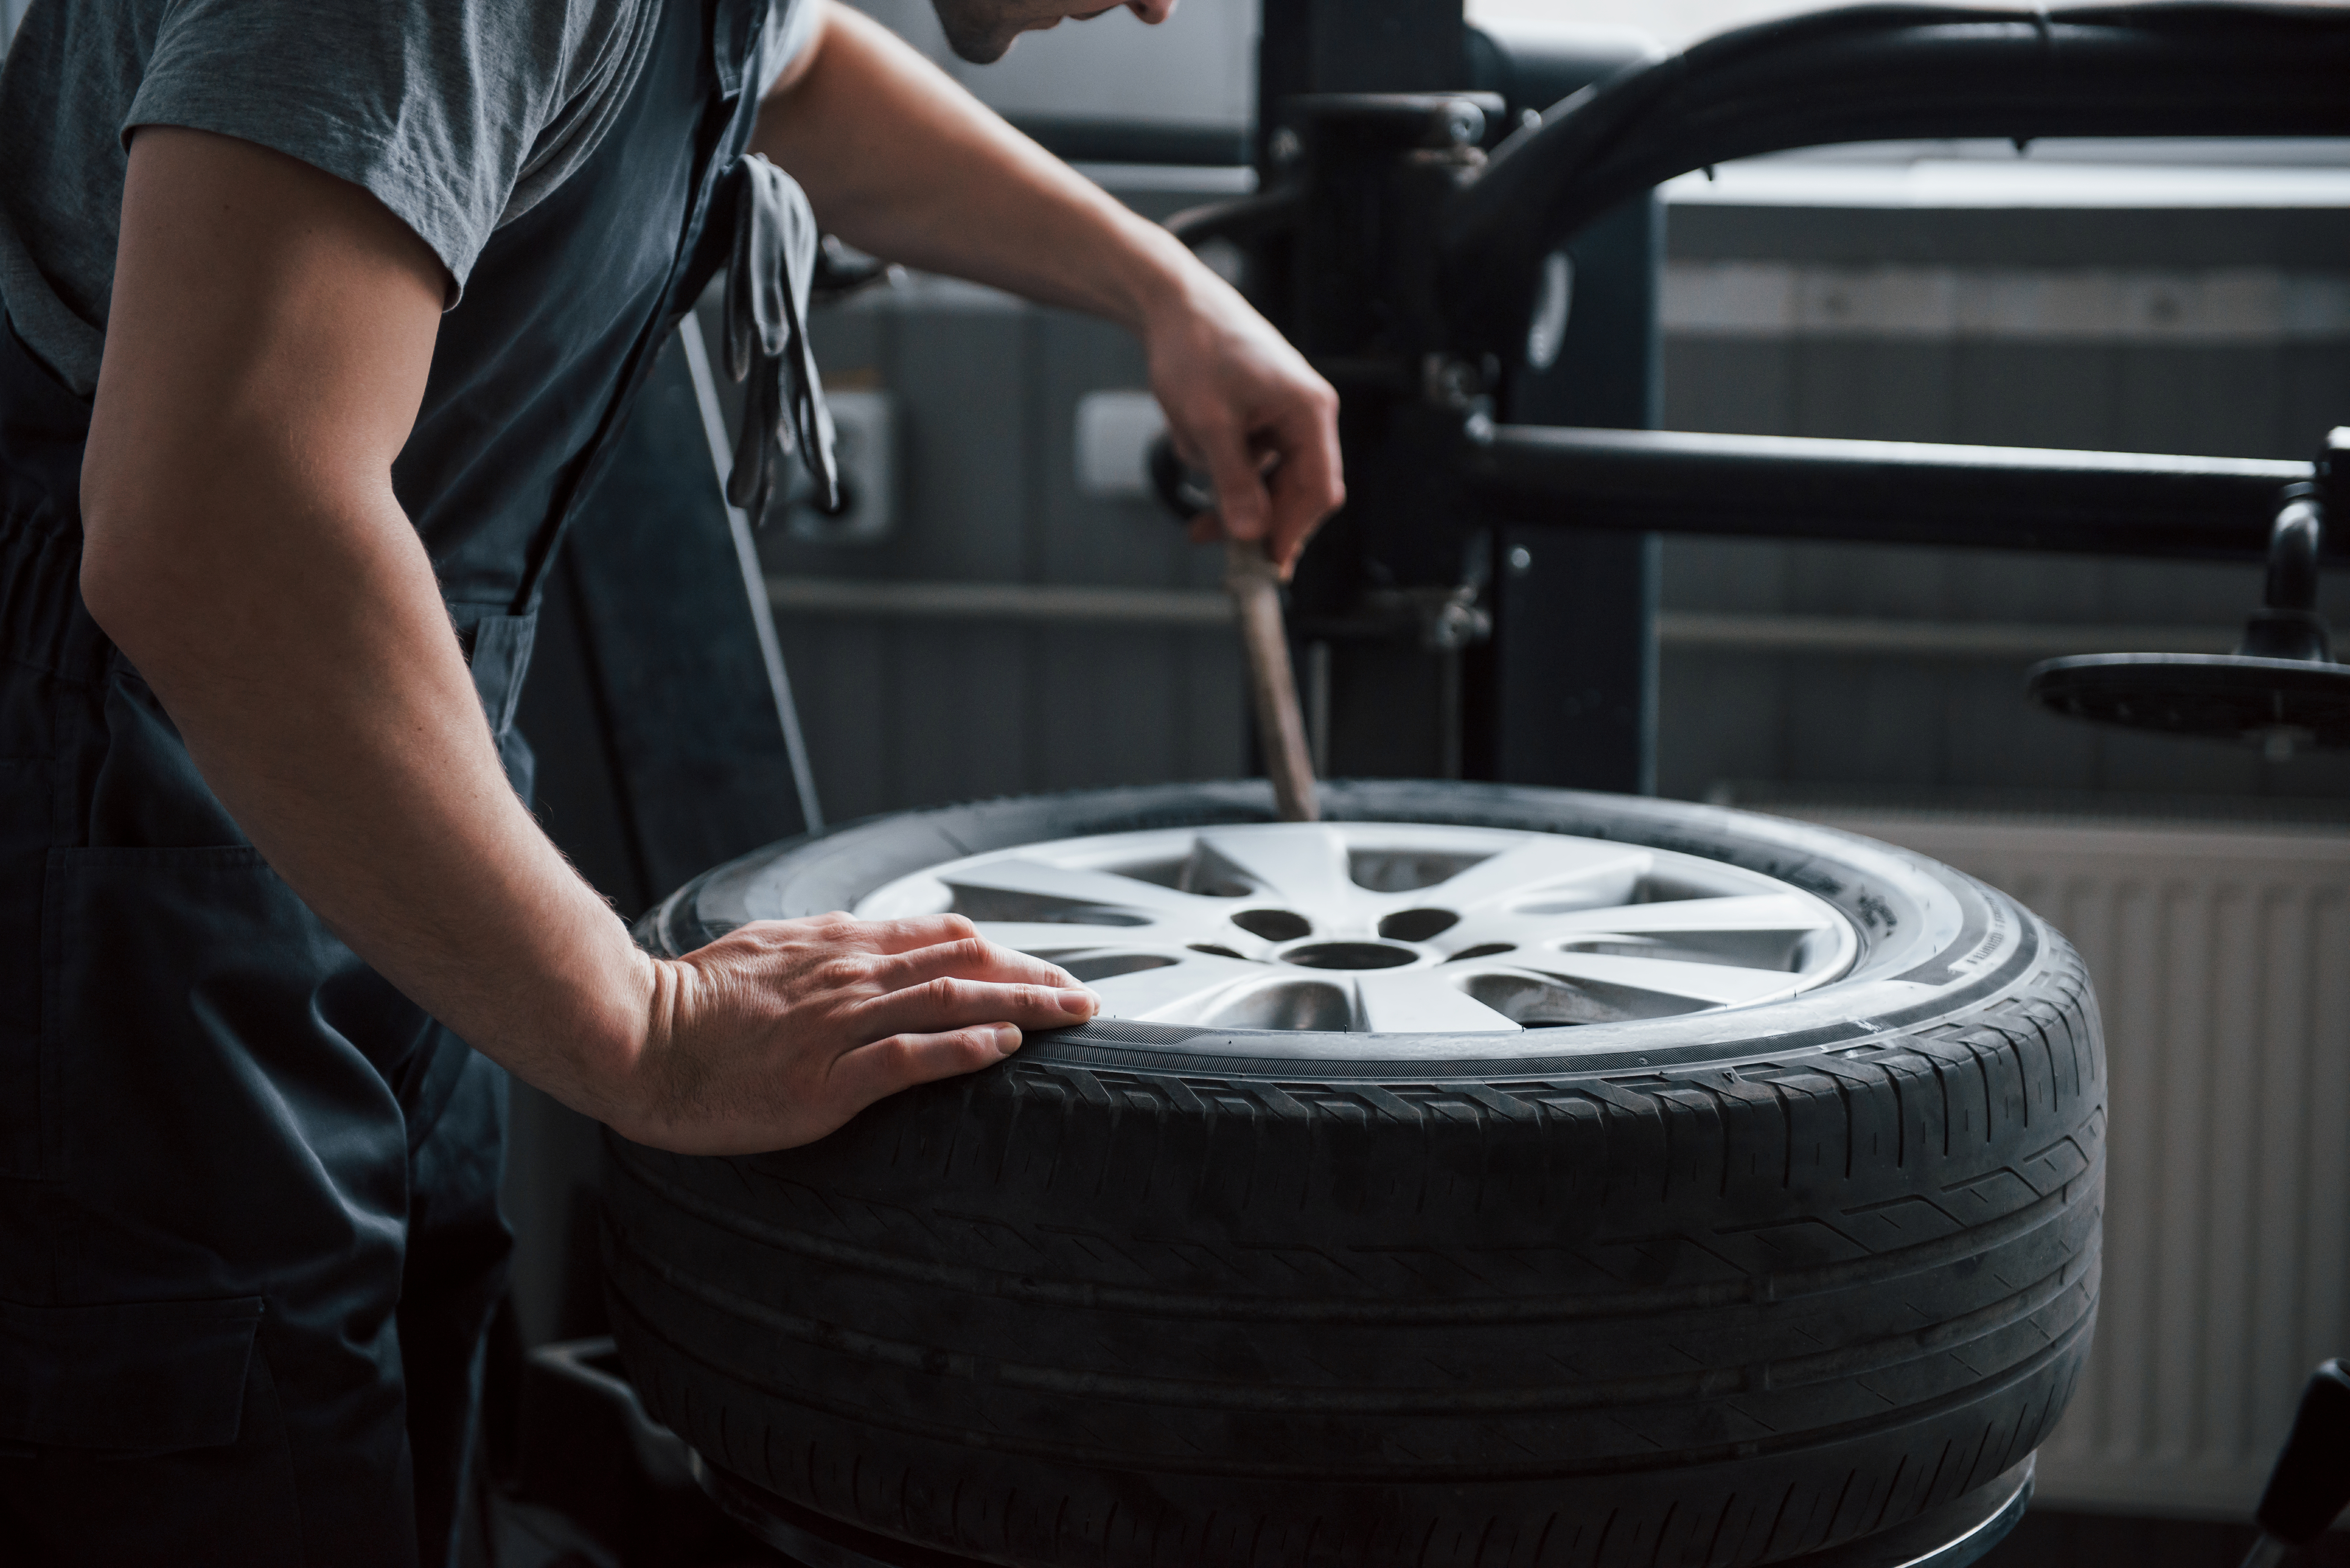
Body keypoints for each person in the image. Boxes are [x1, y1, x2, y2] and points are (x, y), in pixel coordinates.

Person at [0, 0, 1343, 1561]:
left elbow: (797, 69)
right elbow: (215, 519)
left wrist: (1164, 290)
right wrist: (647, 1032)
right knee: (202, 1458)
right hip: (99, 807)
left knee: (384, 1416)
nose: (1167, 8)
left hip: (334, 762)